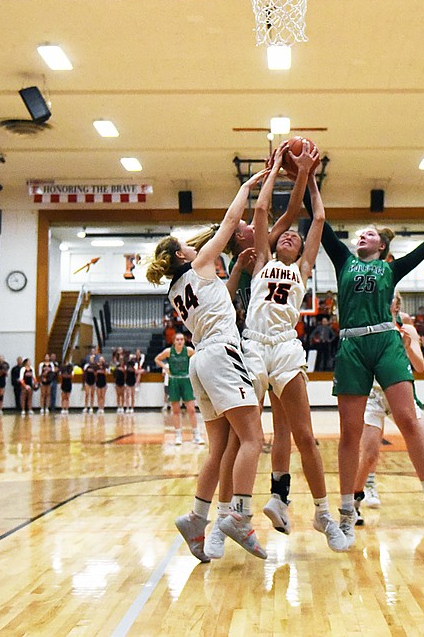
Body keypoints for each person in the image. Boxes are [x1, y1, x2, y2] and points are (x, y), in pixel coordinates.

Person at [319, 186, 424, 536]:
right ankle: (347, 512)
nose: (363, 234)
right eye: (361, 233)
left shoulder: (390, 270)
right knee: (350, 435)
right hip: (351, 345)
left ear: (382, 248)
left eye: (372, 234)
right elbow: (320, 222)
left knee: (408, 420)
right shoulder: (343, 261)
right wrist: (305, 178)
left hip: (384, 341)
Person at [204, 157, 347, 555]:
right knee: (240, 437)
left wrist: (311, 179)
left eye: (295, 239)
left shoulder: (302, 268)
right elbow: (264, 210)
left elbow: (316, 219)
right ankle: (228, 519)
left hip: (285, 345)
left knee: (305, 435)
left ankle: (323, 515)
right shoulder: (260, 261)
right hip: (252, 345)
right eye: (283, 237)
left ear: (303, 250)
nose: (289, 238)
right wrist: (271, 180)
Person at [147, 169, 268, 562]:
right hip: (221, 354)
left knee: (218, 450)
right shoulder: (199, 263)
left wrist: (233, 272)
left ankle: (197, 517)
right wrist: (246, 188)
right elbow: (232, 222)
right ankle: (239, 515)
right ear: (184, 255)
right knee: (253, 439)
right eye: (186, 244)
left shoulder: (177, 289)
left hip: (202, 360)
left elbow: (218, 299)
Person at [355, 294, 424, 527]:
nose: (386, 300)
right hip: (373, 394)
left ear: (397, 303)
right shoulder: (367, 325)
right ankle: (354, 501)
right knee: (370, 453)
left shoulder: (407, 329)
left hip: (400, 391)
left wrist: (407, 348)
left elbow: (420, 366)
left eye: (391, 298)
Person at [155, 333, 201, 444]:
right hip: (174, 381)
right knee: (176, 410)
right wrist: (166, 367)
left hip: (186, 380)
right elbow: (157, 359)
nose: (180, 341)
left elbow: (198, 358)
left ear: (184, 341)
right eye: (177, 339)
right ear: (174, 341)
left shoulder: (189, 350)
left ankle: (196, 435)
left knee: (191, 409)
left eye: (181, 339)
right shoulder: (169, 352)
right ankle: (178, 436)